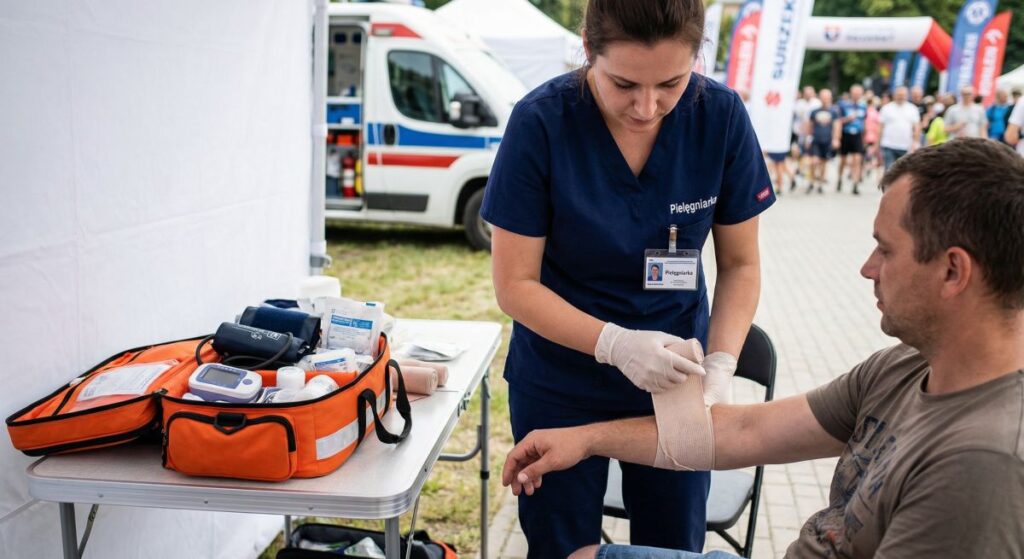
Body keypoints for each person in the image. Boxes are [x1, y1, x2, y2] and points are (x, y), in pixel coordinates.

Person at [502, 138, 1024, 559]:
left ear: (953, 270)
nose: (866, 267)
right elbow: (747, 431)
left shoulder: (981, 465)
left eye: (885, 250)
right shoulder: (906, 368)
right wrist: (586, 440)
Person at [480, 0, 774, 556]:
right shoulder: (541, 122)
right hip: (561, 376)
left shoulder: (721, 118)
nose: (646, 106)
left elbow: (741, 264)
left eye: (671, 83)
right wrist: (613, 344)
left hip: (677, 373)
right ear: (588, 49)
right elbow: (514, 285)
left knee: (671, 545)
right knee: (563, 545)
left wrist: (721, 361)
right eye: (623, 84)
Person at [878, 86, 921, 173]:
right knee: (889, 171)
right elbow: (880, 127)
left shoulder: (912, 109)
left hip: (905, 146)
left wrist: (916, 142)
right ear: (894, 95)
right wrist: (878, 144)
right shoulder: (886, 108)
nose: (901, 97)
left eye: (903, 95)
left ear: (907, 96)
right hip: (888, 145)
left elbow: (916, 127)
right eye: (899, 95)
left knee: (902, 172)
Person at [804, 88, 839, 194]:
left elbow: (837, 126)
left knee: (824, 163)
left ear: (830, 98)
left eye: (827, 98)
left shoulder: (834, 112)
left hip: (827, 140)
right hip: (816, 140)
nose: (825, 100)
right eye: (823, 97)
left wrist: (836, 139)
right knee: (814, 161)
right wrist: (808, 138)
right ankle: (811, 181)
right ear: (820, 98)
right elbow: (809, 126)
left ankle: (820, 184)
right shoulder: (814, 111)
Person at [836, 84, 868, 195]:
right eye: (855, 93)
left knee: (857, 160)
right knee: (843, 160)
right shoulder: (843, 105)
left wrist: (864, 137)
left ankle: (855, 184)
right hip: (845, 134)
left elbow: (864, 121)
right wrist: (848, 119)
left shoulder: (863, 106)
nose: (857, 95)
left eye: (859, 94)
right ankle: (839, 179)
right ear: (851, 93)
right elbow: (838, 121)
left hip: (857, 135)